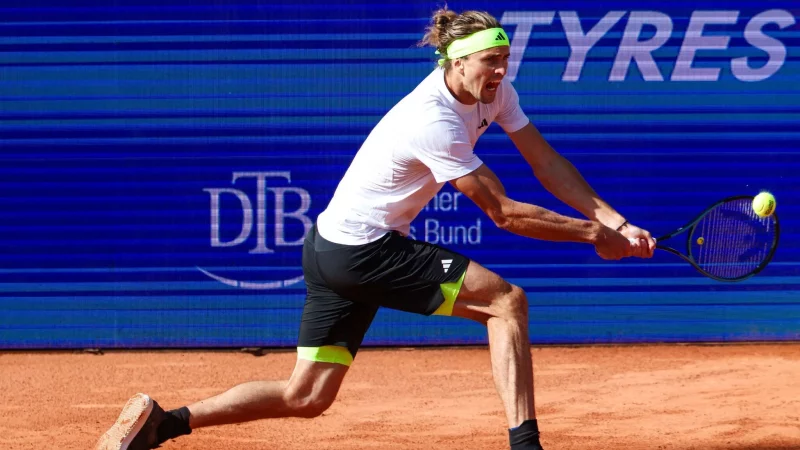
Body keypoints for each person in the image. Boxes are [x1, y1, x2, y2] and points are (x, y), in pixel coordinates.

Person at [95, 7, 655, 450]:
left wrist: (614, 220)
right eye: (489, 61)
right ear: (455, 63)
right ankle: (526, 444)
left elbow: (546, 163)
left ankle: (162, 425)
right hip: (364, 250)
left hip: (331, 246)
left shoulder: (496, 94)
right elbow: (502, 212)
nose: (501, 71)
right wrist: (592, 236)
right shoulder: (432, 120)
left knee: (306, 395)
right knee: (506, 302)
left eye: (505, 59)